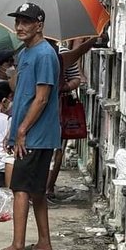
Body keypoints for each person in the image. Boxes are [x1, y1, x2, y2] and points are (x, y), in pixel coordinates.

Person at [0, 3, 60, 250]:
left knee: (20, 189)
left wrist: (21, 130)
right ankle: (44, 244)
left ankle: (17, 247)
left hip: (35, 135)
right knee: (36, 190)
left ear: (39, 25)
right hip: (28, 132)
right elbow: (22, 93)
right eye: (18, 21)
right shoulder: (27, 53)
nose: (19, 26)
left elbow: (41, 98)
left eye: (26, 22)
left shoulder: (45, 54)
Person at [44, 38, 98, 201]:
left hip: (60, 107)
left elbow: (76, 79)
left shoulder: (63, 54)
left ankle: (49, 186)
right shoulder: (31, 53)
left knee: (58, 149)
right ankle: (40, 186)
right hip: (39, 107)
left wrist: (64, 87)